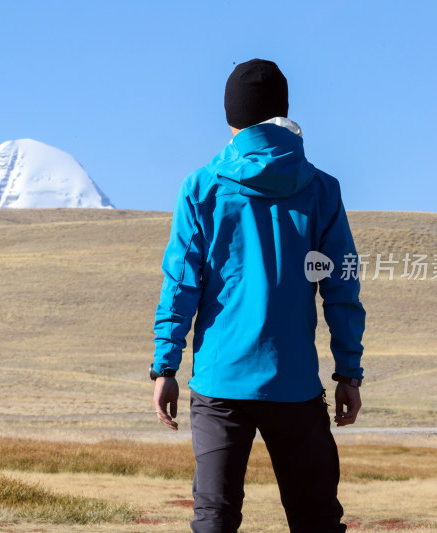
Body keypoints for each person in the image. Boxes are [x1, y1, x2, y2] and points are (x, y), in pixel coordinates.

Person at [150, 59, 365, 533]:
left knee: (215, 520)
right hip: (295, 384)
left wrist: (165, 365)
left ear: (232, 118)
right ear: (283, 112)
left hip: (219, 383)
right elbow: (341, 287)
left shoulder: (201, 187)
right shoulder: (321, 189)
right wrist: (348, 370)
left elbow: (181, 283)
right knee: (316, 521)